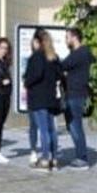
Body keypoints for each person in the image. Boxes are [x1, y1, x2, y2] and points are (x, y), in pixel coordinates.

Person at [24, 28, 62, 172]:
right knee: (52, 129)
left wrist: (27, 82)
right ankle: (54, 159)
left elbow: (35, 75)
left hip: (38, 98)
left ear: (37, 41)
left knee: (43, 130)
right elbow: (59, 75)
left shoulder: (36, 57)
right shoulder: (54, 57)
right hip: (51, 97)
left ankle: (45, 160)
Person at [61, 28, 92, 170]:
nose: (66, 40)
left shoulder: (79, 53)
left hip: (75, 95)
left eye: (67, 37)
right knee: (72, 126)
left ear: (74, 37)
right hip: (74, 94)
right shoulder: (80, 53)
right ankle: (81, 156)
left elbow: (62, 65)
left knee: (75, 126)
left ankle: (82, 158)